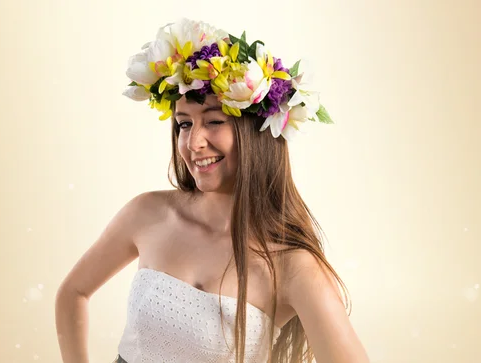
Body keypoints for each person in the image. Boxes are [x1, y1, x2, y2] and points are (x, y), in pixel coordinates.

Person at [55, 18, 370, 363]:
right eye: (184, 124)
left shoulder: (293, 267)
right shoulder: (148, 214)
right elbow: (73, 292)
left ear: (259, 133)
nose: (193, 142)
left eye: (215, 121)